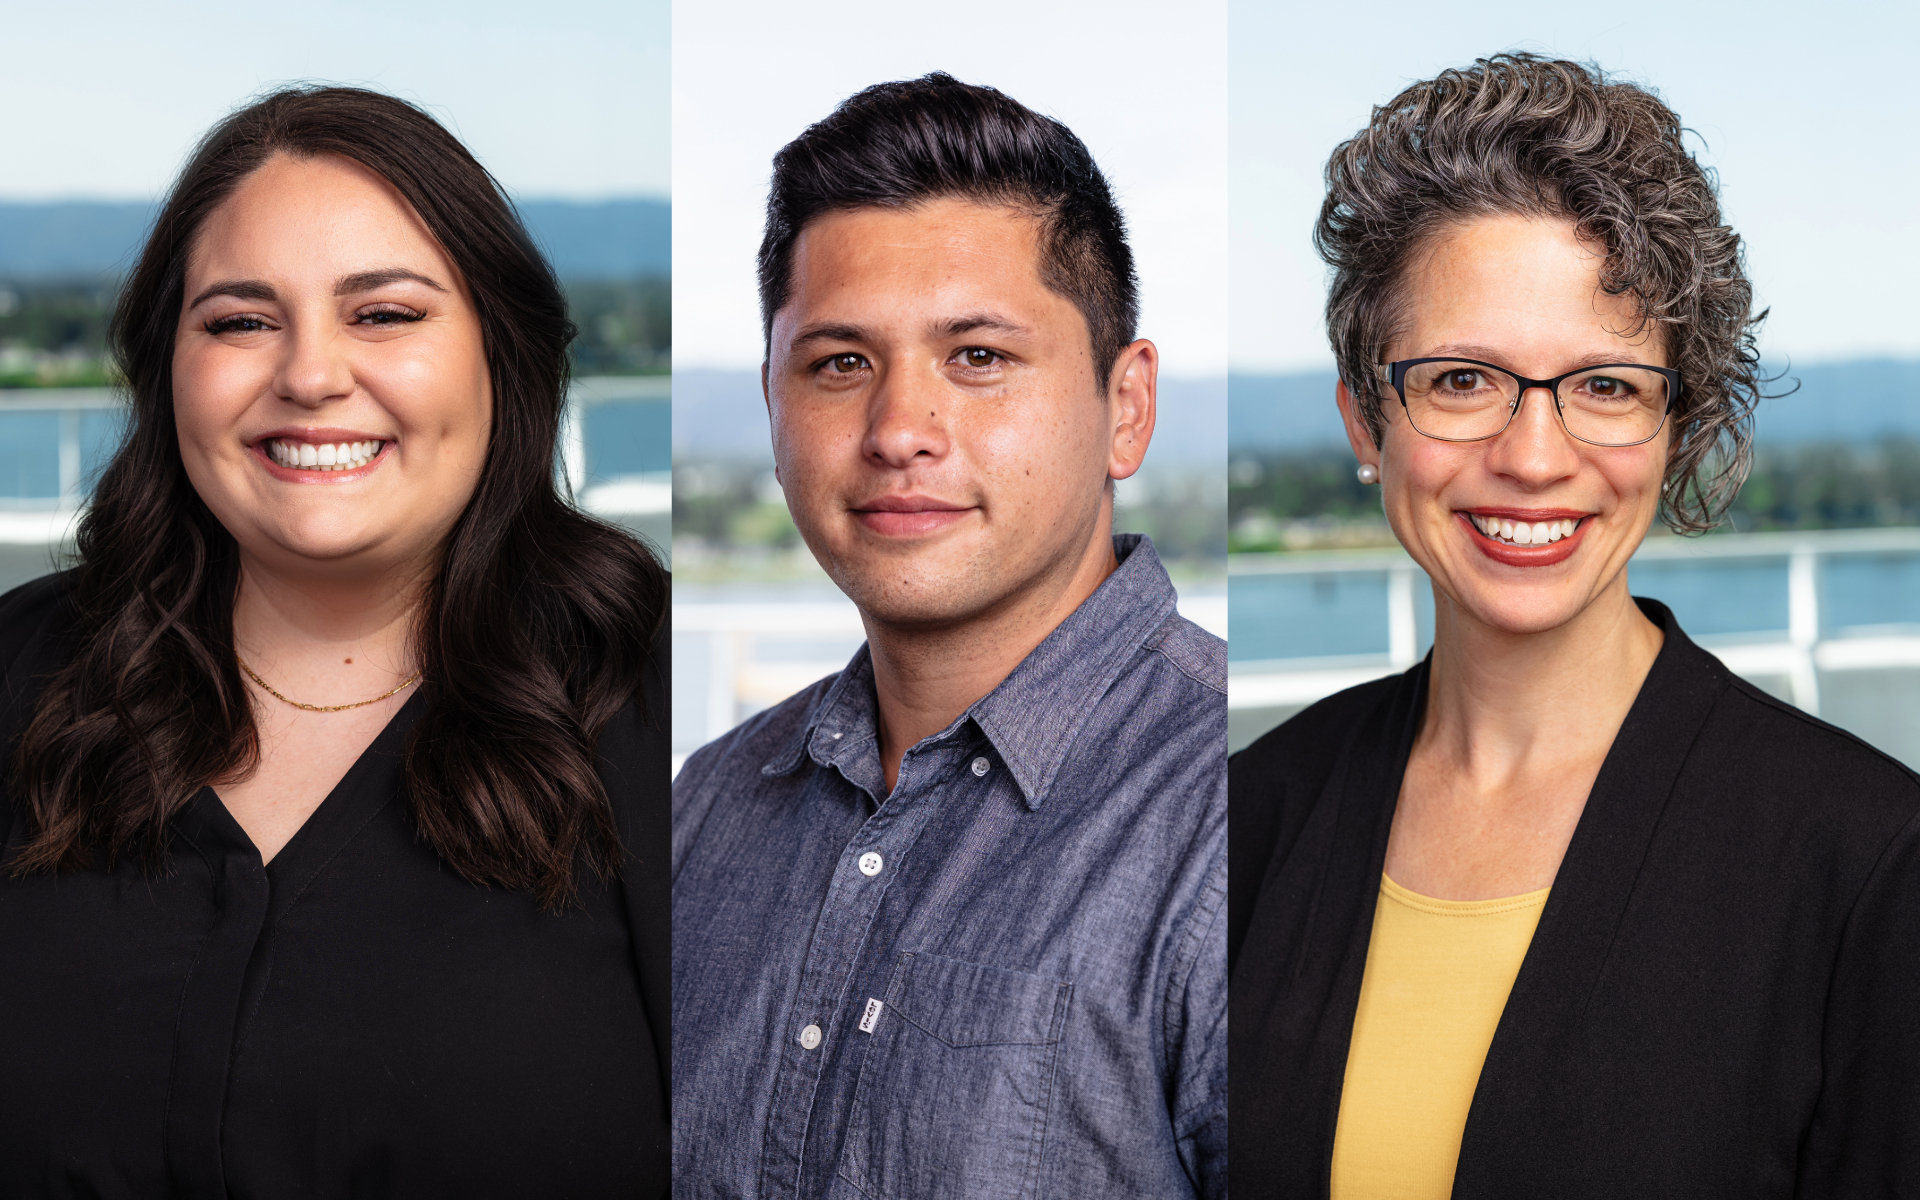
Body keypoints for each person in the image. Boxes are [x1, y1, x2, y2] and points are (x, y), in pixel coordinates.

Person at [1230, 54, 1920, 1197]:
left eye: (1605, 386)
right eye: (1461, 379)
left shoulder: (1865, 862)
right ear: (1366, 422)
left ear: (1675, 427)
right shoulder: (1248, 818)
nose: (1535, 457)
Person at [0, 87, 671, 1196]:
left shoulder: (658, 714)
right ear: (168, 364)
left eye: (385, 315)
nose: (309, 376)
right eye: (240, 320)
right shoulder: (18, 675)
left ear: (502, 355)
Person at [672, 74, 1226, 1199]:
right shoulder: (706, 809)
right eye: (840, 363)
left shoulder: (1235, 823)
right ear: (774, 404)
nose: (898, 432)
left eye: (978, 357)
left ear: (1126, 408)